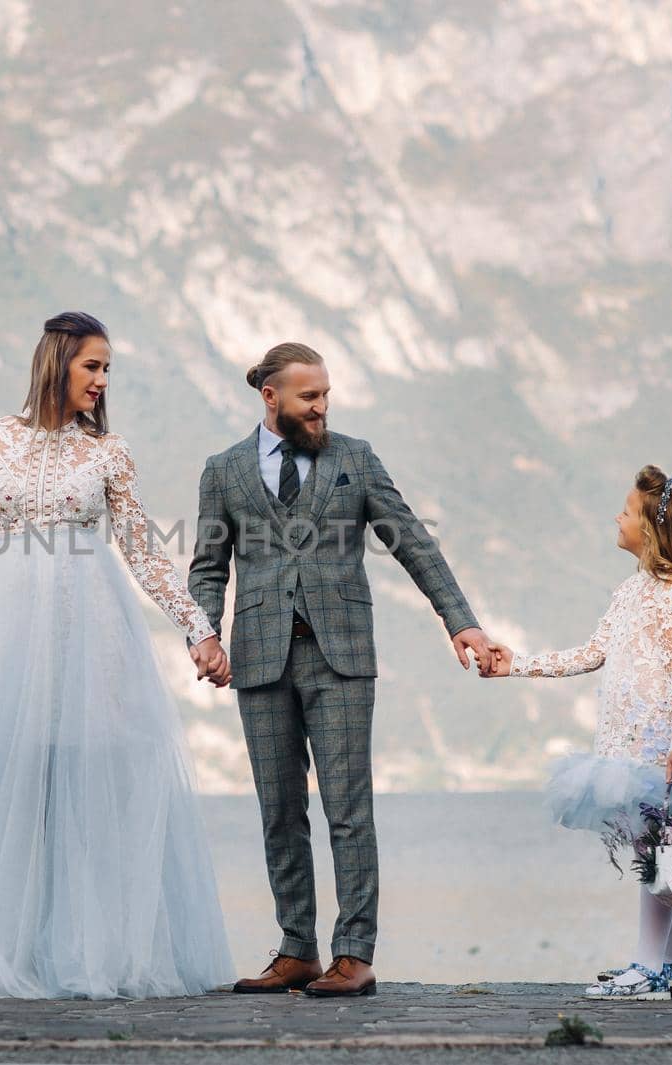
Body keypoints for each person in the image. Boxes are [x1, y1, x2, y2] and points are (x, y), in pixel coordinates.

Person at [0, 312, 235, 999]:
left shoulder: (108, 453)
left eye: (107, 370)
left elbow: (142, 551)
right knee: (2, 777)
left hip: (90, 628)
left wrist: (199, 628)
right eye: (92, 366)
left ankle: (83, 950)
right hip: (8, 632)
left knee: (87, 782)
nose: (101, 380)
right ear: (57, 362)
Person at [188, 341, 496, 998]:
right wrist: (204, 632)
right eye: (309, 396)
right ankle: (296, 948)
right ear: (270, 397)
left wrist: (459, 619)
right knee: (279, 810)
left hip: (343, 655)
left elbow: (411, 539)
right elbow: (210, 566)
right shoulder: (224, 471)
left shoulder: (355, 458)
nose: (322, 406)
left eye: (326, 394)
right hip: (261, 658)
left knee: (348, 809)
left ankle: (353, 952)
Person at [485, 465, 672, 1001]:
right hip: (625, 743)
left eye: (625, 511)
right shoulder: (630, 590)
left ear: (650, 528)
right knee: (671, 845)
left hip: (657, 744)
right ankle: (670, 965)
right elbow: (592, 653)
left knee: (661, 846)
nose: (616, 518)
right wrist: (517, 665)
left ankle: (649, 968)